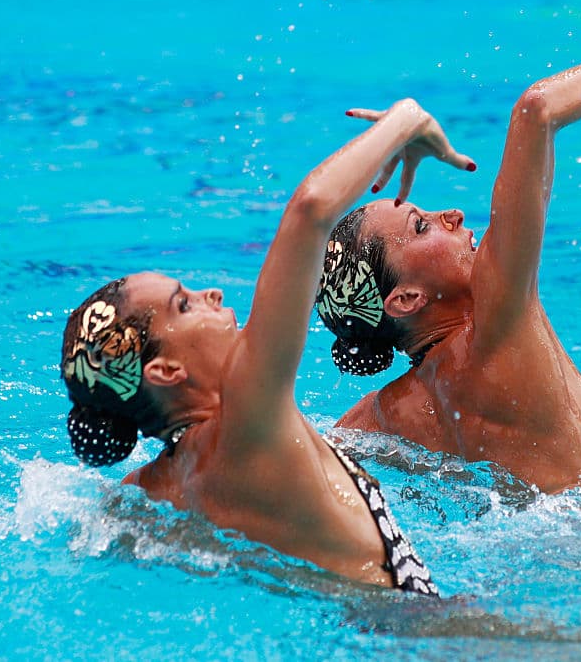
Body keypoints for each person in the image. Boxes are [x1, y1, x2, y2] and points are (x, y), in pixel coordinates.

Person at [59, 98, 476, 594]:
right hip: (420, 627)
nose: (209, 293)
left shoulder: (149, 491)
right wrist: (406, 119)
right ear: (166, 372)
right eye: (184, 305)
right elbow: (310, 211)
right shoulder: (247, 419)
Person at [315, 49, 581, 494]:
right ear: (406, 299)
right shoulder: (498, 317)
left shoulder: (379, 419)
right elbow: (536, 110)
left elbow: (303, 460)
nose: (450, 214)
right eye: (421, 225)